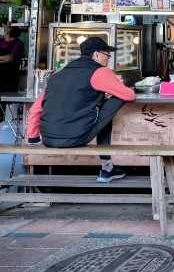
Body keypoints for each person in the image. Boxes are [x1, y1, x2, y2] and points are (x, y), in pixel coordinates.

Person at [26, 36, 136, 182]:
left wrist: (33, 139)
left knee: (103, 113)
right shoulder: (100, 72)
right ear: (96, 55)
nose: (108, 59)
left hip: (48, 139)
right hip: (74, 138)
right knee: (117, 100)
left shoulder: (57, 75)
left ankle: (108, 168)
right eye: (107, 55)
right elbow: (129, 94)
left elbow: (35, 109)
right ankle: (107, 168)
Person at [0, 26, 25, 93]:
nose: (1, 28)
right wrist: (4, 58)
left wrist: (5, 58)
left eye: (2, 26)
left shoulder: (18, 43)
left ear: (9, 29)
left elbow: (8, 59)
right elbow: (5, 58)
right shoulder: (0, 41)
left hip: (10, 78)